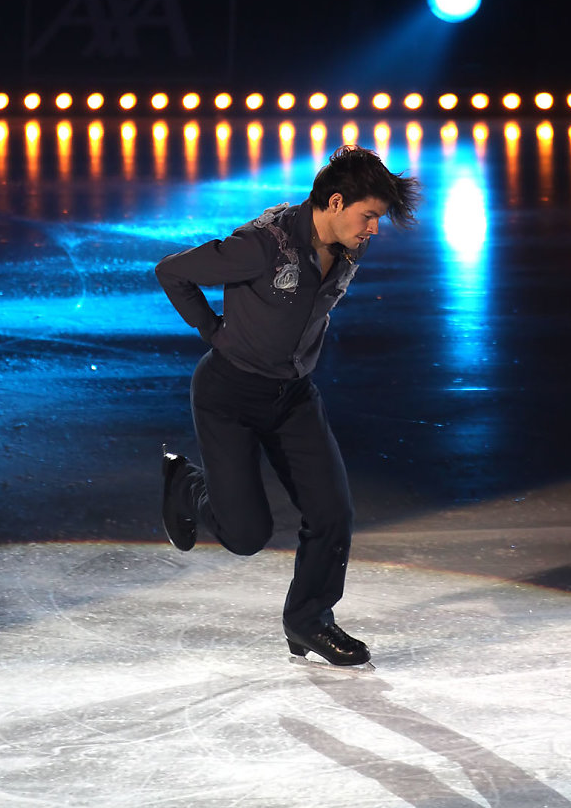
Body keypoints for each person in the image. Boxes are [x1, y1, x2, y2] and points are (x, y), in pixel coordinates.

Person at [155, 145, 421, 666]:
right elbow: (172, 271)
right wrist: (212, 331)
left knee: (333, 512)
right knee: (246, 535)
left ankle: (309, 621)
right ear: (337, 201)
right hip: (228, 396)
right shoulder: (262, 244)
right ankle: (185, 486)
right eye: (369, 216)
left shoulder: (348, 245)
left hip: (294, 396)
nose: (372, 229)